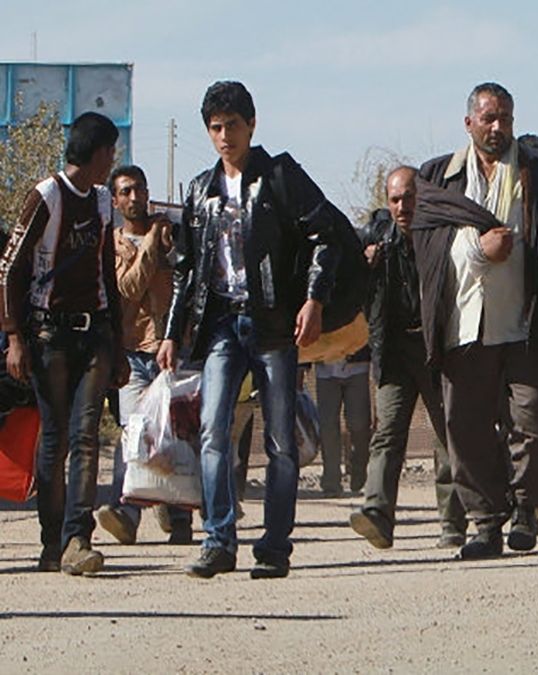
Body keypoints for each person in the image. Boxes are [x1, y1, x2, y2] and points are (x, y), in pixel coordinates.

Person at [158, 81, 345, 579]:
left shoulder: (280, 175)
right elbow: (186, 268)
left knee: (280, 440)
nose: (224, 136)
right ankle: (219, 540)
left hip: (275, 325)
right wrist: (172, 332)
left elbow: (323, 235)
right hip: (222, 323)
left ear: (251, 124)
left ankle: (276, 545)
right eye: (216, 128)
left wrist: (313, 299)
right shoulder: (200, 190)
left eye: (232, 126)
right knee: (212, 430)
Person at [413, 82, 538, 560]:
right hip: (463, 328)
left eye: (505, 118)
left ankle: (526, 509)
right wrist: (477, 250)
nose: (498, 127)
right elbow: (426, 249)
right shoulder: (439, 178)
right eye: (488, 118)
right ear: (469, 123)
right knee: (464, 429)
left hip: (523, 325)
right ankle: (485, 522)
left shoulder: (537, 173)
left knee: (534, 426)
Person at [0, 112, 127, 575]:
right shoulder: (46, 196)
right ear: (95, 152)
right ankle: (51, 542)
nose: (113, 160)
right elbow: (10, 269)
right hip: (48, 335)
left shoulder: (102, 203)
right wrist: (15, 337)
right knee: (54, 439)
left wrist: (118, 342)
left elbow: (107, 275)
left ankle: (79, 539)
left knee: (86, 435)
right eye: (110, 151)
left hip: (93, 333)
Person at [349, 167, 467, 550]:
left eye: (410, 198)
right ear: (388, 201)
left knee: (446, 435)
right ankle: (377, 513)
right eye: (396, 199)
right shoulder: (375, 240)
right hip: (394, 351)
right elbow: (348, 287)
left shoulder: (441, 235)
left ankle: (453, 523)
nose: (404, 207)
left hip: (436, 349)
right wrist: (363, 267)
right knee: (387, 433)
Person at [94, 165, 193, 546]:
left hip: (171, 348)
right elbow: (127, 289)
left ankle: (180, 516)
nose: (135, 197)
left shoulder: (173, 238)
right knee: (134, 434)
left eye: (139, 189)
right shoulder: (115, 244)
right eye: (126, 191)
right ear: (116, 201)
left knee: (179, 434)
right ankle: (127, 512)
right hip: (133, 353)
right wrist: (152, 241)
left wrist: (168, 245)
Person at [314, 349, 372, 497]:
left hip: (358, 365)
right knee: (327, 425)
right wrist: (302, 366)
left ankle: (358, 470)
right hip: (325, 366)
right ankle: (331, 481)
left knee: (359, 423)